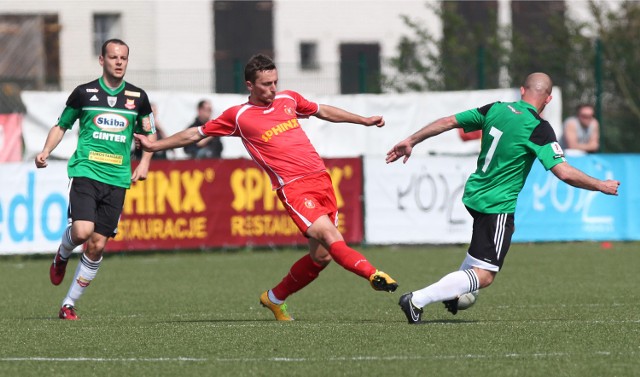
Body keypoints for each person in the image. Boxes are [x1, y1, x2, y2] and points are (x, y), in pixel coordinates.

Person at [135, 53, 398, 320]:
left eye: (275, 82)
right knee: (333, 238)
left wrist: (363, 120)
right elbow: (196, 133)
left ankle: (274, 298)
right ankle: (372, 274)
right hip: (294, 189)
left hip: (322, 180)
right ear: (250, 85)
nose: (273, 88)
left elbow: (323, 110)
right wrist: (155, 146)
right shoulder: (239, 116)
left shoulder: (288, 99)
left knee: (321, 257)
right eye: (265, 84)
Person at [386, 73, 620, 325]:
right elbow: (563, 172)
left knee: (480, 258)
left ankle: (455, 292)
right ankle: (417, 299)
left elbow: (449, 121)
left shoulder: (495, 109)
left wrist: (411, 139)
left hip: (475, 194)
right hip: (497, 204)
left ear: (522, 90)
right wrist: (599, 185)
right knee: (485, 275)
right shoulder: (538, 127)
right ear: (549, 99)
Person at [35, 39, 157, 320]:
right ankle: (62, 255)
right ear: (102, 60)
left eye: (123, 58)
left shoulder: (138, 98)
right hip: (86, 173)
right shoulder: (84, 93)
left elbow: (149, 136)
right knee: (81, 232)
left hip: (117, 179)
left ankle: (68, 304)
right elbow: (61, 125)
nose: (118, 62)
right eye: (113, 57)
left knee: (98, 244)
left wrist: (145, 163)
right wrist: (45, 150)